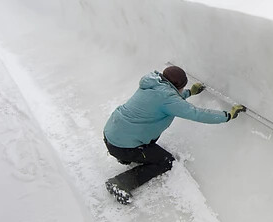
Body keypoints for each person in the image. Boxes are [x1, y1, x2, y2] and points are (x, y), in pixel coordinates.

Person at [103, 65, 246, 204]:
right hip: (122, 146)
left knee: (146, 127)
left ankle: (126, 158)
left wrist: (190, 92)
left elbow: (168, 98)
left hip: (111, 134)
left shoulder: (152, 84)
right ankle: (120, 183)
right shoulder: (168, 99)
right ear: (179, 87)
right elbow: (196, 113)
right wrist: (227, 116)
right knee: (165, 161)